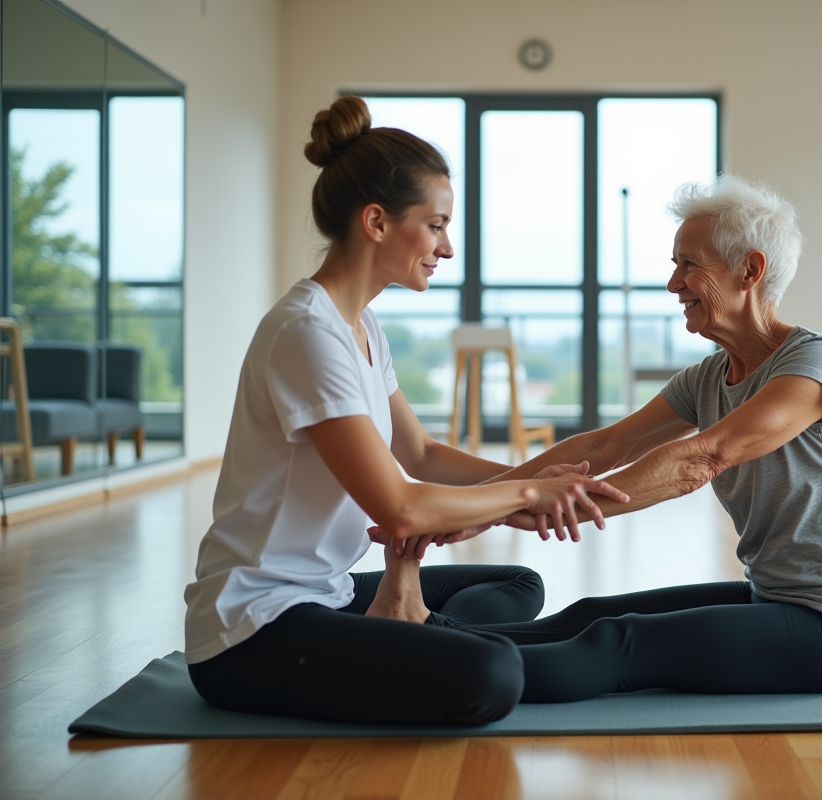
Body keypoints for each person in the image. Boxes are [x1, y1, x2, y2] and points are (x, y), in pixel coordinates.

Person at [183, 95, 628, 725]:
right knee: (492, 675)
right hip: (255, 629)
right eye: (437, 224)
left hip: (328, 597)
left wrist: (526, 485)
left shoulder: (360, 326)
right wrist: (527, 493)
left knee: (515, 587)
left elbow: (418, 452)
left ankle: (411, 619)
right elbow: (400, 506)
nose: (446, 247)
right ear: (376, 222)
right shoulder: (306, 333)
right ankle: (426, 633)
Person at [391, 174, 822, 702]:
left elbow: (702, 459)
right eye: (674, 265)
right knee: (592, 615)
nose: (674, 284)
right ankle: (427, 639)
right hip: (771, 598)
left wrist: (531, 506)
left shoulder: (815, 363)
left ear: (749, 270)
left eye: (689, 265)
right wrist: (478, 504)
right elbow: (604, 447)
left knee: (620, 641)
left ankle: (423, 674)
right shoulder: (708, 378)